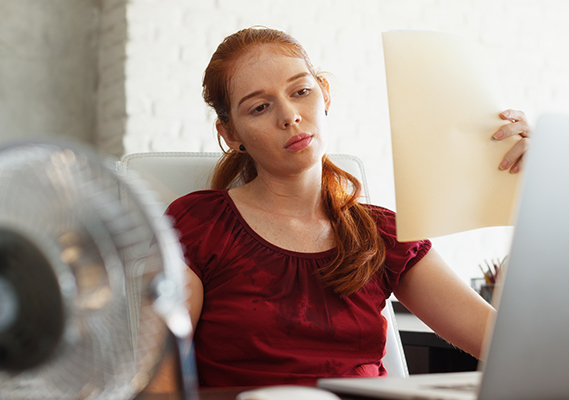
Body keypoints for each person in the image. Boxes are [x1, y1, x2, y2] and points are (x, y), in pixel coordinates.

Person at [154, 26, 531, 390]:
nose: (289, 116)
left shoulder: (382, 233)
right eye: (259, 107)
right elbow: (157, 381)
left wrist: (544, 181)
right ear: (231, 133)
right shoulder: (198, 225)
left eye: (301, 90)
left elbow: (511, 349)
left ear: (326, 95)